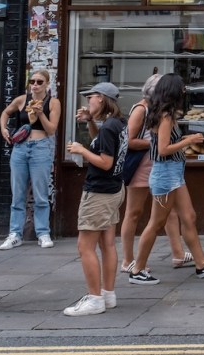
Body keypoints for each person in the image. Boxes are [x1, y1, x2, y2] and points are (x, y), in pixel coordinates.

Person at [126, 73, 204, 285]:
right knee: (156, 222)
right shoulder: (165, 115)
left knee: (189, 216)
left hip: (174, 173)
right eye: (181, 88)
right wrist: (188, 140)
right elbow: (163, 149)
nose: (184, 91)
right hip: (165, 174)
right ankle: (137, 269)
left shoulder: (163, 113)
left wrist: (183, 140)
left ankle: (202, 264)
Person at [62, 82, 127, 316]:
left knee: (85, 246)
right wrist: (90, 121)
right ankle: (108, 295)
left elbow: (105, 162)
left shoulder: (110, 126)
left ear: (101, 98)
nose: (88, 101)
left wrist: (81, 151)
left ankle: (94, 299)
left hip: (100, 192)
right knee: (107, 244)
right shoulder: (118, 123)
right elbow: (101, 144)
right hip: (114, 189)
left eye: (91, 97)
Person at [120, 73, 190, 274]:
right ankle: (128, 260)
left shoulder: (160, 110)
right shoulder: (142, 109)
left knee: (169, 213)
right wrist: (159, 142)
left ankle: (178, 254)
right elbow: (130, 140)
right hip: (142, 166)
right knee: (134, 212)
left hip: (159, 164)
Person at [0, 68, 62, 250]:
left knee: (40, 193)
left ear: (47, 84)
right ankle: (15, 233)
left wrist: (40, 112)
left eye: (39, 82)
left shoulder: (53, 102)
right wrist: (4, 128)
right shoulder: (21, 100)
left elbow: (51, 130)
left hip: (41, 147)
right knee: (18, 193)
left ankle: (43, 232)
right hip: (21, 147)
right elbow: (5, 112)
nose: (35, 85)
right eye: (32, 81)